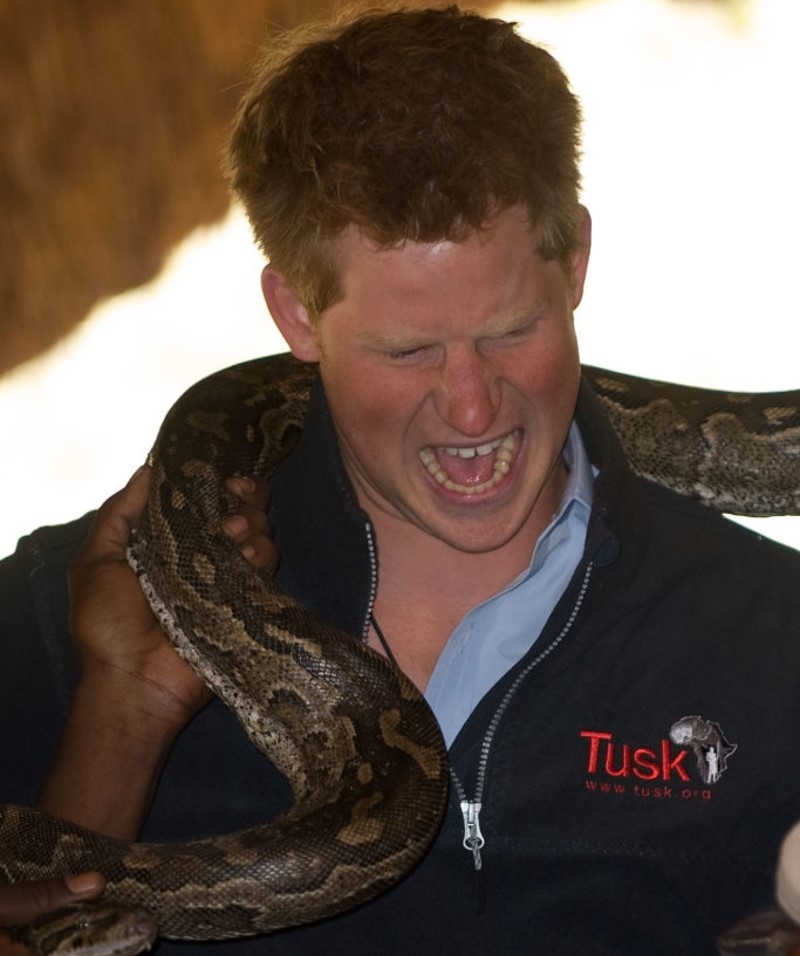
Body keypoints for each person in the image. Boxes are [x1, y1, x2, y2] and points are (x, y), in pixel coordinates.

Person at [2, 5, 800, 954]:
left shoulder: (769, 634)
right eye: (408, 349)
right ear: (296, 314)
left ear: (576, 260)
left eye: (511, 332)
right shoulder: (64, 618)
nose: (473, 411)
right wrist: (127, 705)